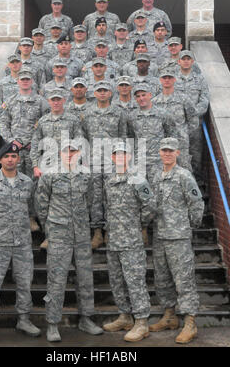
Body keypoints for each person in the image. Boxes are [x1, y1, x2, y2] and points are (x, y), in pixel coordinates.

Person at [34, 140, 103, 342]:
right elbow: (41, 204)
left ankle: (86, 319)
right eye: (66, 151)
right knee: (56, 280)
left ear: (79, 152)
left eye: (74, 150)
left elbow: (89, 200)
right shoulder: (50, 175)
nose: (70, 154)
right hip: (58, 235)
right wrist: (50, 227)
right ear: (60, 153)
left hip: (81, 234)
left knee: (85, 279)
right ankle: (53, 323)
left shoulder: (85, 175)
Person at [0, 142, 41, 343]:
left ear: (18, 159)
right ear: (0, 160)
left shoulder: (27, 182)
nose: (11, 159)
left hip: (22, 243)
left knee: (24, 283)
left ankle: (24, 319)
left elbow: (32, 209)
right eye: (7, 156)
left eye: (14, 156)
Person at [150, 137, 204, 344]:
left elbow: (196, 203)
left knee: (184, 280)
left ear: (178, 153)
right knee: (162, 279)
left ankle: (190, 322)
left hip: (179, 236)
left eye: (171, 151)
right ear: (159, 153)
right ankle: (169, 316)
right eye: (164, 150)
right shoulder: (156, 176)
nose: (167, 154)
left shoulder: (184, 175)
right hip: (160, 236)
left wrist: (190, 226)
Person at [102, 141, 156, 342]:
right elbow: (107, 206)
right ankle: (125, 316)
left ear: (130, 156)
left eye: (124, 154)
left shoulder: (137, 179)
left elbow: (150, 206)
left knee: (135, 282)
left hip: (132, 241)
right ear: (113, 157)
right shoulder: (109, 180)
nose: (120, 157)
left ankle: (141, 322)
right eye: (117, 154)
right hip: (114, 240)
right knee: (117, 281)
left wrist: (137, 224)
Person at [0, 67, 49, 232]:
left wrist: (37, 142)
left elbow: (46, 124)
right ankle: (19, 218)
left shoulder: (41, 101)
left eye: (28, 79)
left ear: (32, 81)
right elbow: (3, 123)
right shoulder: (11, 101)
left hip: (35, 151)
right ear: (18, 81)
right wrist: (12, 141)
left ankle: (33, 218)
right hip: (15, 151)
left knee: (35, 185)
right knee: (15, 183)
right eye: (22, 79)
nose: (25, 81)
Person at [82, 81, 127, 249]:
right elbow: (84, 138)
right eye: (99, 90)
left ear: (110, 93)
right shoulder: (87, 113)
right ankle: (97, 232)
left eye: (105, 90)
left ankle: (111, 231)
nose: (102, 93)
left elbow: (123, 136)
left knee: (112, 197)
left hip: (113, 162)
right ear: (94, 93)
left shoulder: (119, 113)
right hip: (94, 161)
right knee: (95, 197)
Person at [152, 69, 199, 172]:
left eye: (170, 78)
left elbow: (194, 119)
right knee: (163, 170)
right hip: (162, 143)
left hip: (180, 143)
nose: (167, 80)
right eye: (164, 78)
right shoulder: (154, 102)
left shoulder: (183, 99)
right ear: (160, 80)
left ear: (174, 80)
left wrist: (184, 133)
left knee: (184, 169)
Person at [175, 50, 210, 182]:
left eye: (188, 59)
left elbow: (204, 99)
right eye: (183, 59)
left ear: (192, 61)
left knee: (196, 153)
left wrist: (193, 112)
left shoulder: (200, 79)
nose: (185, 61)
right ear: (179, 61)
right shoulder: (172, 79)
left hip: (195, 123)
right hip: (178, 124)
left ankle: (197, 182)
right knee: (178, 153)